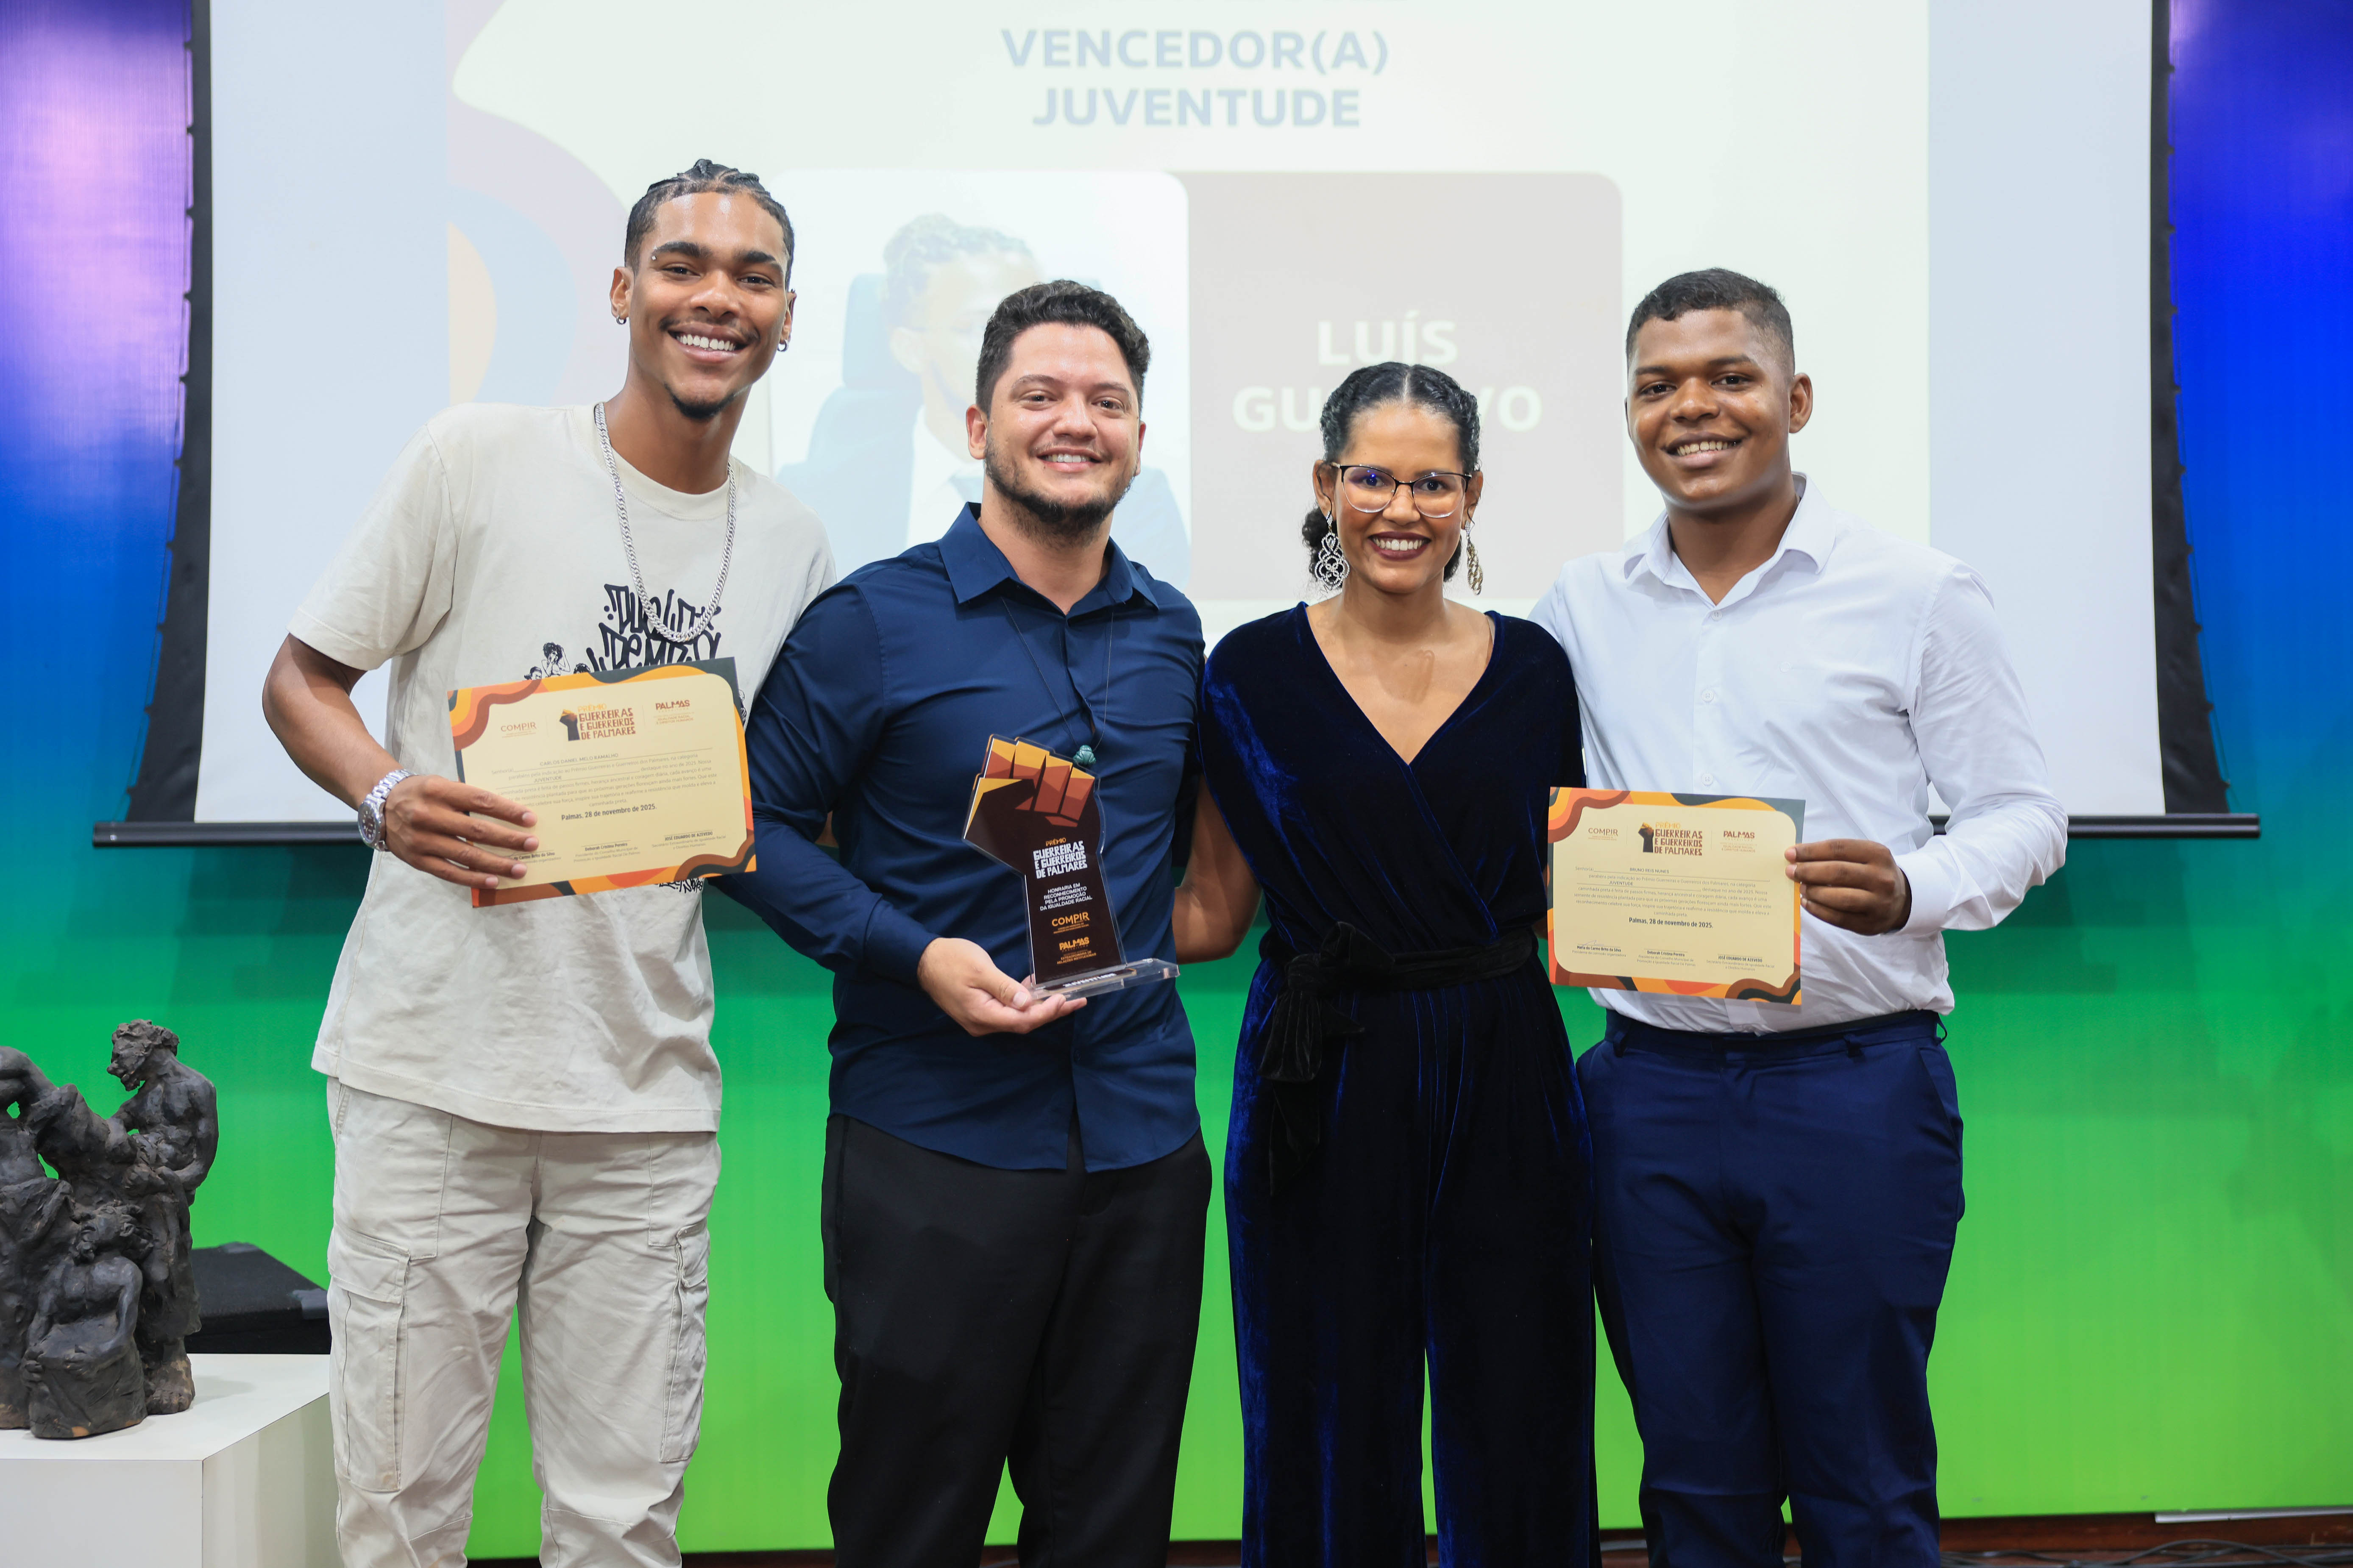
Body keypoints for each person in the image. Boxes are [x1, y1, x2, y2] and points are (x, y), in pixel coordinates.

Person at [258, 159, 831, 1566]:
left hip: (643, 1099)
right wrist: (385, 792)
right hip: (430, 1076)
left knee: (621, 1520)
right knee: (399, 1514)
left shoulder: (798, 546)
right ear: (627, 292)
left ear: (787, 317)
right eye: (686, 266)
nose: (718, 297)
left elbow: (788, 802)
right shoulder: (480, 456)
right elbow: (299, 679)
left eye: (752, 275)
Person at [1531, 269, 2067, 1568]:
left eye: (1727, 377)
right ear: (1626, 411)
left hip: (1853, 1089)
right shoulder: (1573, 609)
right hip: (1643, 1095)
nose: (1691, 408)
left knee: (1862, 1482)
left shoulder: (1917, 590)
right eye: (1657, 385)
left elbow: (2021, 814)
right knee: (1692, 1485)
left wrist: (1909, 885)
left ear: (1795, 399)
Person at [721, 279, 1207, 1568]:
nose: (1074, 422)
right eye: (1040, 395)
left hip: (1141, 1145)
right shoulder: (871, 623)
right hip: (932, 1145)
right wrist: (913, 952)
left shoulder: (1171, 632)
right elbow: (747, 826)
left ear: (1140, 438)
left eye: (1106, 401)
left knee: (1109, 1527)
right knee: (909, 1522)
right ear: (978, 418)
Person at [1173, 362, 1600, 1567]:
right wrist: (1037, 910)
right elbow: (1208, 907)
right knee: (1317, 1402)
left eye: (1429, 482)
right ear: (1323, 485)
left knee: (1517, 1397)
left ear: (1470, 494)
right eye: (1369, 477)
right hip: (1321, 1074)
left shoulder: (1535, 669)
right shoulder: (1245, 671)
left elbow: (1588, 886)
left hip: (1504, 1059)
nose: (1397, 508)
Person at [778, 213, 1192, 584]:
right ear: (909, 346)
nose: (1022, 342)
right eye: (980, 324)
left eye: (1038, 317)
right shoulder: (814, 495)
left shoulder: (1137, 499)